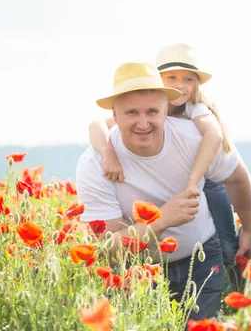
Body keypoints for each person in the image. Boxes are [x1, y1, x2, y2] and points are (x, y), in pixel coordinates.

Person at [77, 61, 251, 320]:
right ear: (114, 116)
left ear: (166, 111)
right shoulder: (94, 163)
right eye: (131, 113)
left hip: (202, 260)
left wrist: (250, 229)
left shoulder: (194, 140)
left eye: (152, 112)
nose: (143, 123)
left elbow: (238, 180)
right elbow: (107, 247)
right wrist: (161, 220)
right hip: (136, 270)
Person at [88, 43, 240, 277]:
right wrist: (108, 153)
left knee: (224, 231)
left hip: (205, 175)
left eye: (188, 79)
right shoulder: (95, 159)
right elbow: (97, 124)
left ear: (164, 104)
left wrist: (193, 181)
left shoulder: (196, 111)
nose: (180, 85)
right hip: (151, 244)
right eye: (172, 77)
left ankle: (233, 269)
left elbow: (215, 135)